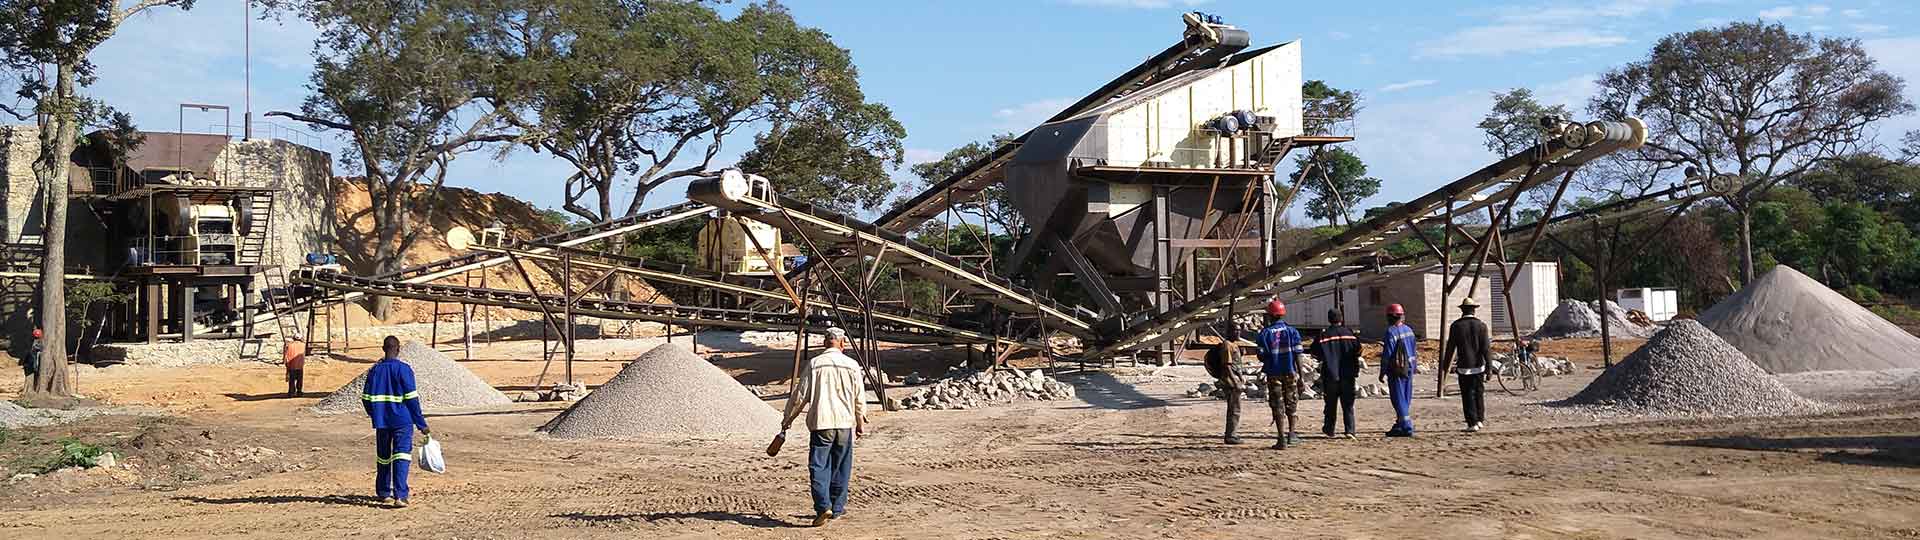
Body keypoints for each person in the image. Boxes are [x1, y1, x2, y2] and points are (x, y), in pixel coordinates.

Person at [778, 327, 869, 527]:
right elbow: (859, 399)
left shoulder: (815, 364)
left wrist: (787, 420)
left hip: (822, 423)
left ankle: (822, 506)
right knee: (841, 467)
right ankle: (836, 508)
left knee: (819, 466)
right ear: (843, 343)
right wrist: (860, 423)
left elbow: (799, 397)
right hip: (844, 424)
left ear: (824, 343)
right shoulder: (852, 365)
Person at [361, 336, 429, 508]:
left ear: (383, 348)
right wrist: (421, 424)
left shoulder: (375, 371)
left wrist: (375, 414)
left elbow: (366, 398)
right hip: (402, 421)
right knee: (402, 455)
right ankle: (400, 495)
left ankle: (384, 493)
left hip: (382, 421)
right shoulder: (404, 370)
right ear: (398, 349)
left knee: (383, 457)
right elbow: (412, 399)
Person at [1255, 299, 1304, 449]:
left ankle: (1281, 438)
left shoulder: (1265, 334)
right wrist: (1301, 376)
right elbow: (1298, 355)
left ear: (1270, 315)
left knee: (1277, 404)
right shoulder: (1292, 332)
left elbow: (1261, 355)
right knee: (1292, 403)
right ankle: (1292, 434)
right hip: (1290, 372)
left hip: (1273, 373)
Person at [1443, 297, 1493, 432]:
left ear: (1462, 310)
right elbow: (1486, 349)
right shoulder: (1481, 326)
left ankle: (1472, 422)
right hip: (1478, 366)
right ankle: (1480, 419)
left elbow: (1450, 348)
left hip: (1464, 366)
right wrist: (1489, 367)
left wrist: (1445, 366)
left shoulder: (1456, 326)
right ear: (1474, 310)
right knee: (1478, 392)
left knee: (1467, 394)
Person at [1311, 310, 1362, 439]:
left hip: (1330, 375)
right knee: (1348, 404)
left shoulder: (1324, 336)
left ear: (1329, 319)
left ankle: (1329, 429)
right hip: (1348, 375)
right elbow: (1359, 351)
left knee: (1330, 404)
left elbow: (1315, 353)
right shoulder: (1350, 335)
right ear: (1341, 318)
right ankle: (1350, 430)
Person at [1380, 304, 1420, 437]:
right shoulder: (1409, 330)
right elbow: (1414, 350)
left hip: (1396, 370)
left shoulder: (1391, 332)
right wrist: (1414, 367)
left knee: (1398, 398)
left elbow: (1387, 354)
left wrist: (1382, 371)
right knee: (1406, 397)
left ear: (1391, 317)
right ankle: (1399, 424)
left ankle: (1407, 426)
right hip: (1409, 368)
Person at [1202, 340, 1244, 445]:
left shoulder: (1234, 345)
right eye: (1235, 329)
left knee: (1234, 408)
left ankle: (1231, 434)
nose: (1238, 332)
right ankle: (1231, 435)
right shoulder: (1227, 345)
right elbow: (1227, 365)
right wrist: (1235, 382)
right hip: (1230, 381)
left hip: (1234, 380)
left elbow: (1235, 365)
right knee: (1234, 408)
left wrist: (1240, 377)